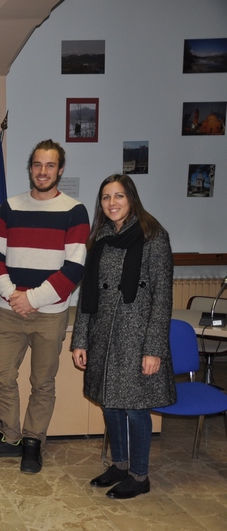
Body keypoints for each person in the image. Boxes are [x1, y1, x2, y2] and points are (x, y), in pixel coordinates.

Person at [0, 139, 90, 474]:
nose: (42, 172)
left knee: (42, 382)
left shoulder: (75, 211)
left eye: (50, 165)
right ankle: (11, 435)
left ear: (60, 169)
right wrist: (12, 293)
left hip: (50, 315)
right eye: (37, 165)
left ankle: (33, 440)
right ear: (30, 168)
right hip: (9, 310)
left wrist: (31, 298)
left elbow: (74, 268)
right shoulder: (10, 208)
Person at [72, 174, 175, 499]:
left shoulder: (153, 236)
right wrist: (80, 340)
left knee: (134, 408)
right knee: (111, 405)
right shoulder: (100, 237)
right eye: (106, 197)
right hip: (103, 334)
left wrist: (154, 349)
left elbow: (162, 297)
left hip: (137, 336)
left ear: (131, 198)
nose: (112, 203)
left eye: (118, 196)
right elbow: (88, 293)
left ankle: (139, 475)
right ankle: (119, 465)